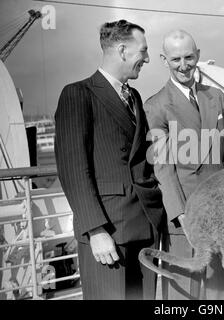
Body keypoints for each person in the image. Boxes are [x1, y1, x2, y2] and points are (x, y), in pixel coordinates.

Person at [54, 20, 166, 300]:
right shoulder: (78, 94)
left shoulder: (134, 96)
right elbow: (73, 169)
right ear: (122, 50)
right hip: (109, 234)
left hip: (145, 228)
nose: (148, 58)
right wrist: (95, 231)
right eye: (144, 50)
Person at [145, 30, 224, 300]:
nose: (183, 65)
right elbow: (162, 167)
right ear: (164, 60)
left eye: (189, 57)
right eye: (175, 59)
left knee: (221, 287)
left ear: (198, 55)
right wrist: (180, 214)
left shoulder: (217, 97)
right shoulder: (156, 106)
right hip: (185, 213)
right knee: (182, 289)